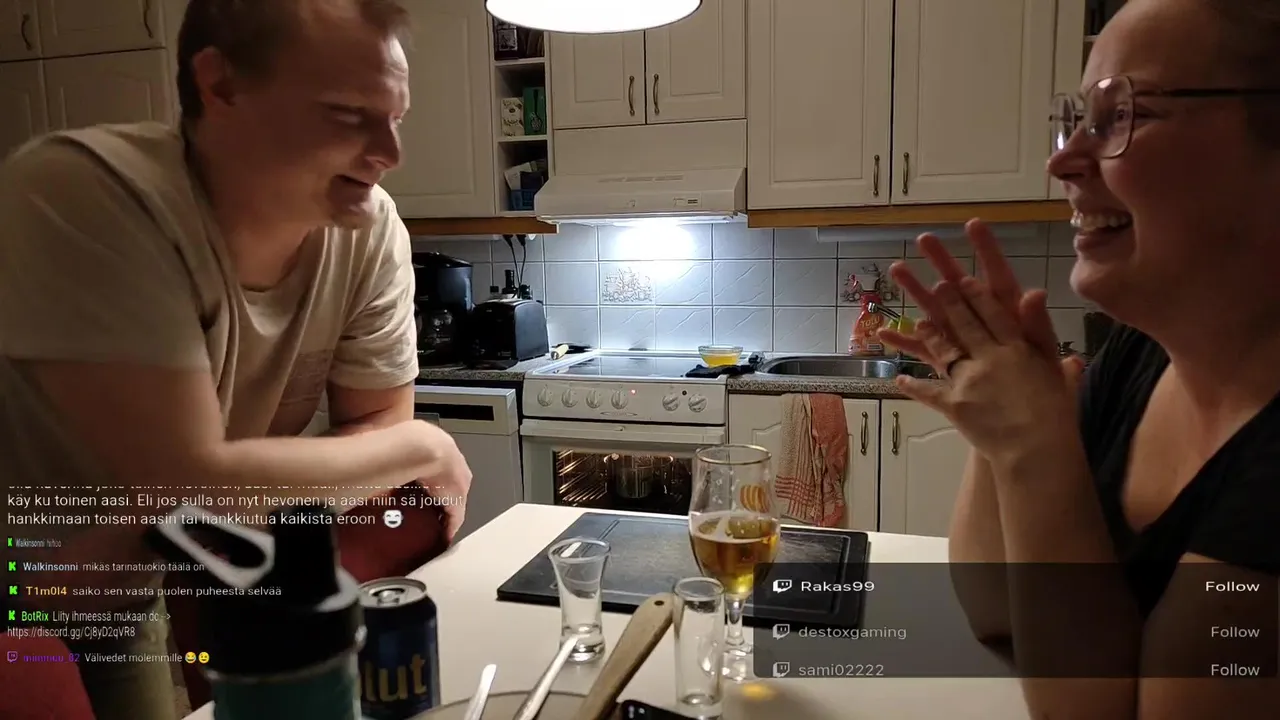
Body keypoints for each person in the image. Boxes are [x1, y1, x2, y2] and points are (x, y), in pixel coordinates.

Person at [0, 1, 472, 718]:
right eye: (348, 114)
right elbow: (181, 484)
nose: (390, 153)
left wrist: (379, 446)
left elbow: (374, 423)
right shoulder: (80, 189)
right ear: (220, 84)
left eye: (395, 117)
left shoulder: (368, 228)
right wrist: (423, 445)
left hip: (131, 590)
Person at [878, 0, 1280, 716]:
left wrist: (1033, 447)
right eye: (1077, 119)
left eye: (1124, 114)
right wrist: (1006, 426)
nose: (1061, 161)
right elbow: (995, 608)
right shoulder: (1137, 359)